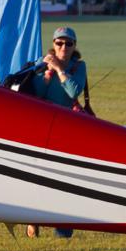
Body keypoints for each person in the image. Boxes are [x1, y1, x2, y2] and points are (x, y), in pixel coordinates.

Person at [26, 27, 88, 239]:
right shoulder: (42, 65)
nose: (63, 47)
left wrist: (60, 70)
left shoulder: (78, 66)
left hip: (67, 129)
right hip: (42, 128)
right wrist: (46, 72)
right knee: (38, 176)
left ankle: (63, 230)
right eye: (59, 43)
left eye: (68, 43)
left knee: (66, 179)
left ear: (74, 46)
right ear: (53, 44)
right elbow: (35, 94)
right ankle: (34, 221)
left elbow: (73, 91)